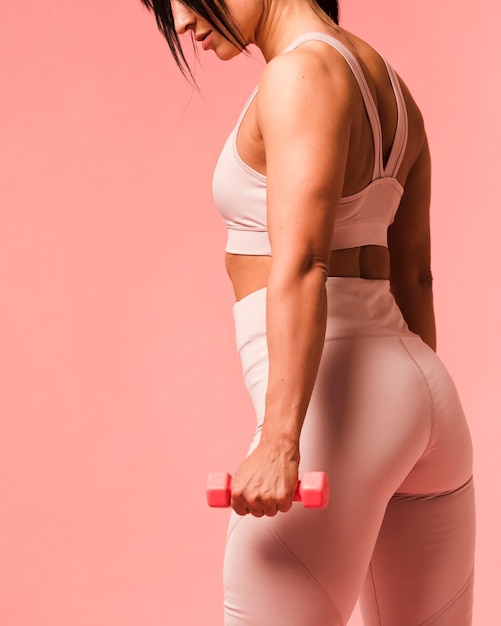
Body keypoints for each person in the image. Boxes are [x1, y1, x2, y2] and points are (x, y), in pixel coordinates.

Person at [140, 1, 476, 624]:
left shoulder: (299, 74)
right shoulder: (392, 88)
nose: (183, 23)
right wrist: (408, 425)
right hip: (421, 389)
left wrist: (280, 441)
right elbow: (414, 276)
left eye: (182, 1)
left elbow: (302, 261)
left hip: (339, 401)